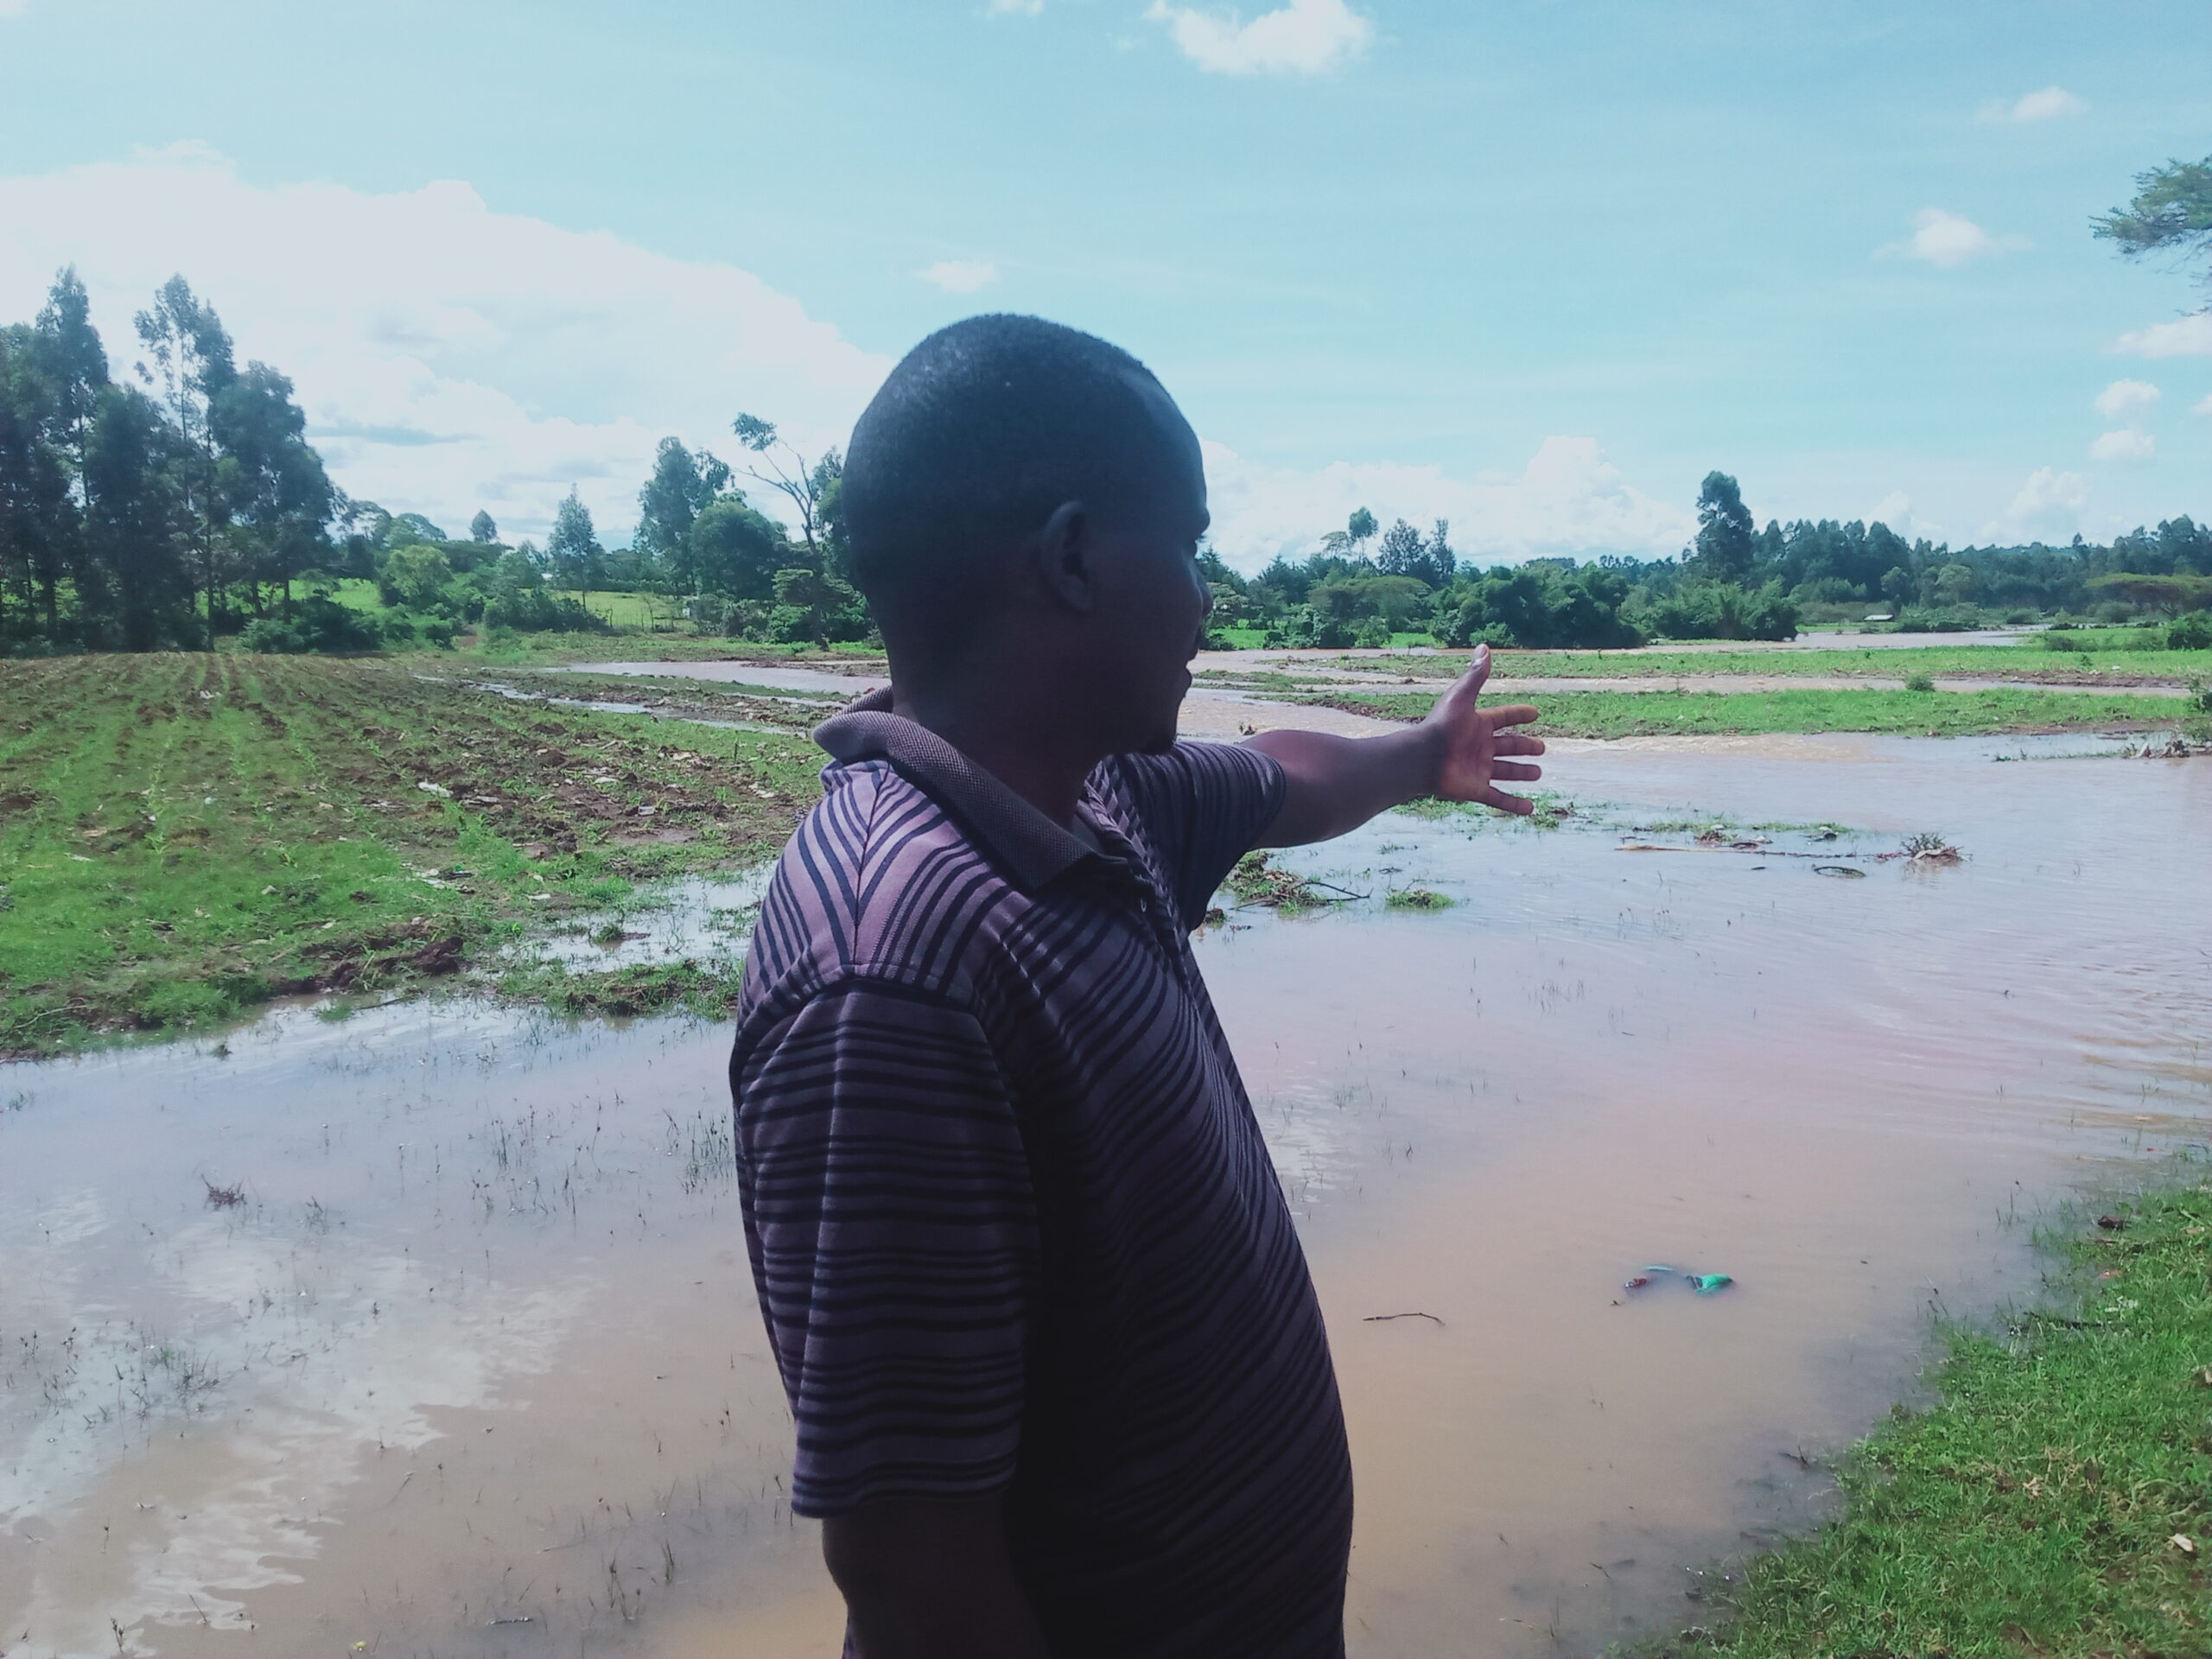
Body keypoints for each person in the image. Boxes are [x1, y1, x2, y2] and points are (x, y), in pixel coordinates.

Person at [728, 315, 1543, 1659]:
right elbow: (915, 1577)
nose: (1207, 600)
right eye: (1193, 546)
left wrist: (1423, 752)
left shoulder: (1095, 801)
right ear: (1072, 559)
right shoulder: (896, 969)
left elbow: (1285, 776)